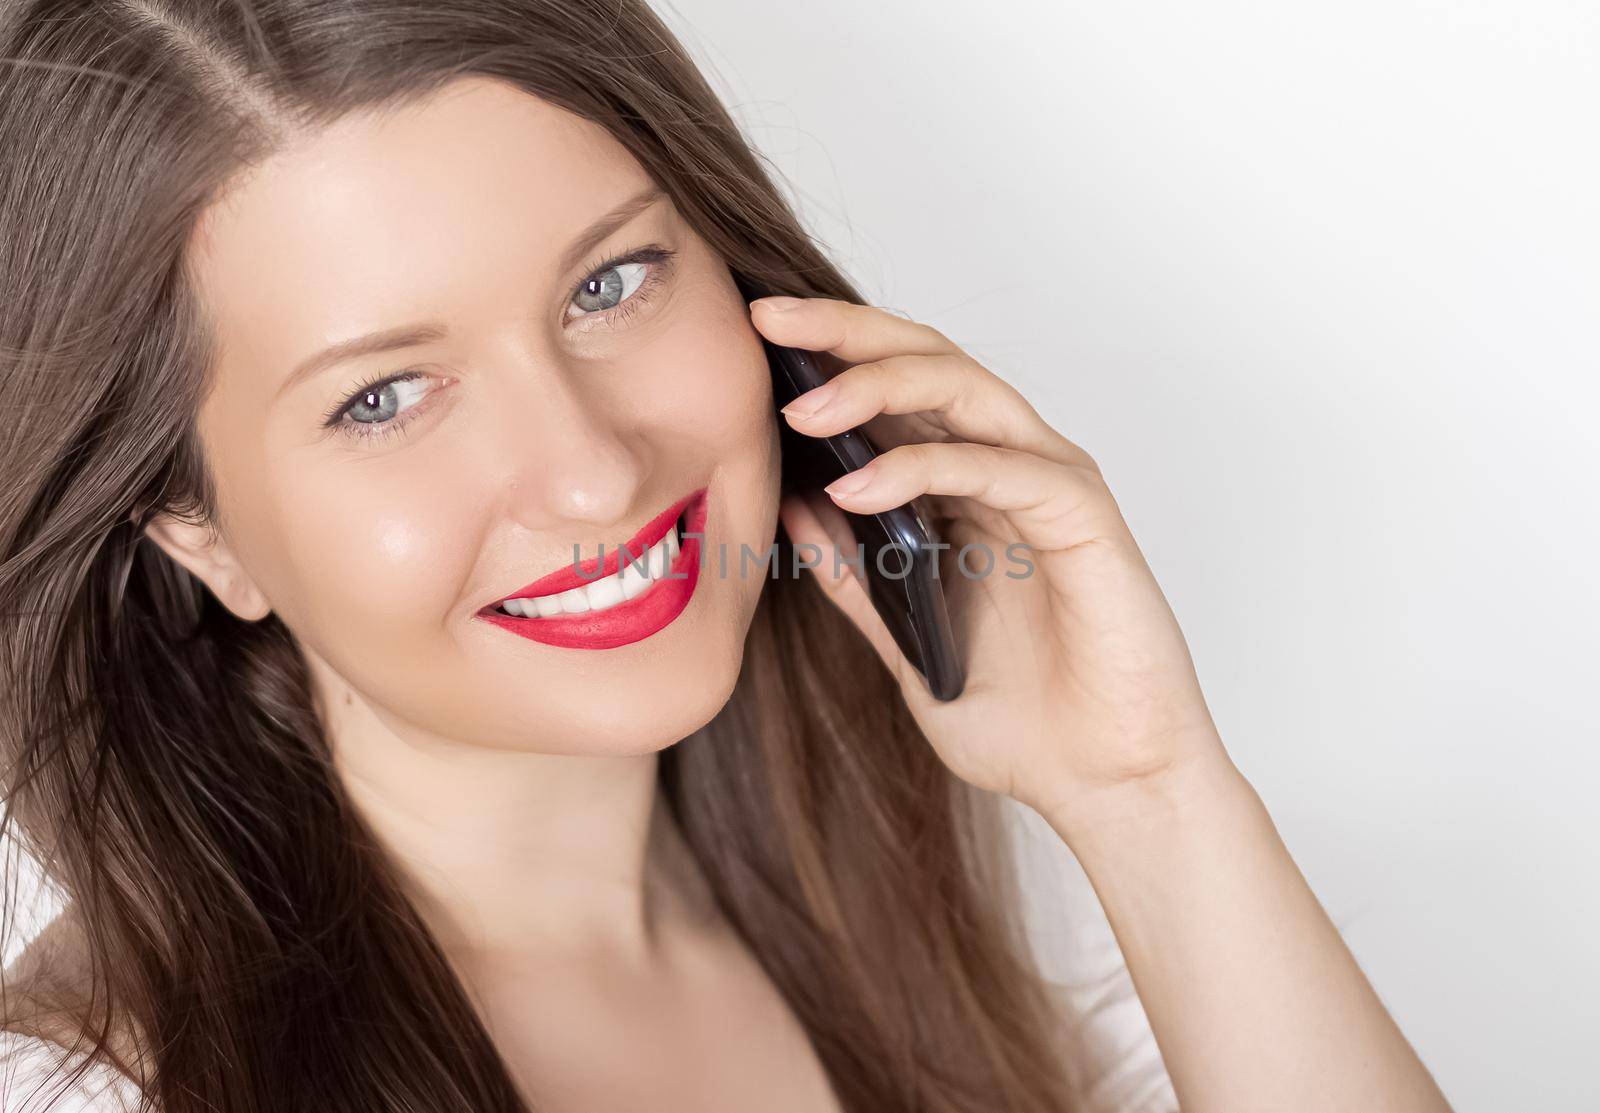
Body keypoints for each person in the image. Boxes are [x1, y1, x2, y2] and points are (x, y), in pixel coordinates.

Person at [0, 1, 1453, 1110]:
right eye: (383, 396)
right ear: (193, 526)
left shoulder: (969, 886)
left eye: (611, 283)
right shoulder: (96, 1086)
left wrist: (1148, 795)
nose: (591, 467)